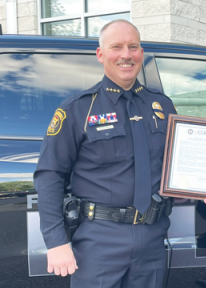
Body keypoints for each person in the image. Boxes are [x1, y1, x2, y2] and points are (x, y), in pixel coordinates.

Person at [34, 19, 176, 288]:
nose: (126, 55)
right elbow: (50, 174)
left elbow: (178, 165)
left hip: (152, 237)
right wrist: (56, 241)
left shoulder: (162, 105)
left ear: (141, 54)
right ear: (101, 54)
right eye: (117, 47)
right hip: (99, 239)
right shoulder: (78, 109)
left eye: (133, 47)